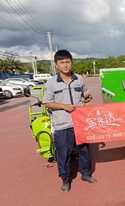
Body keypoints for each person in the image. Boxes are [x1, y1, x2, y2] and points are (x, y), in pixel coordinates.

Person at [43, 49, 96, 192]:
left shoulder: (79, 79)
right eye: (62, 62)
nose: (65, 65)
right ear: (56, 65)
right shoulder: (51, 83)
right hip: (62, 124)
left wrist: (87, 97)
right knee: (63, 152)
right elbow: (47, 103)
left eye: (67, 62)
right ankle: (65, 178)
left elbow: (85, 93)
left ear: (71, 62)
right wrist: (63, 106)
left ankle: (85, 173)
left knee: (83, 150)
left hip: (79, 123)